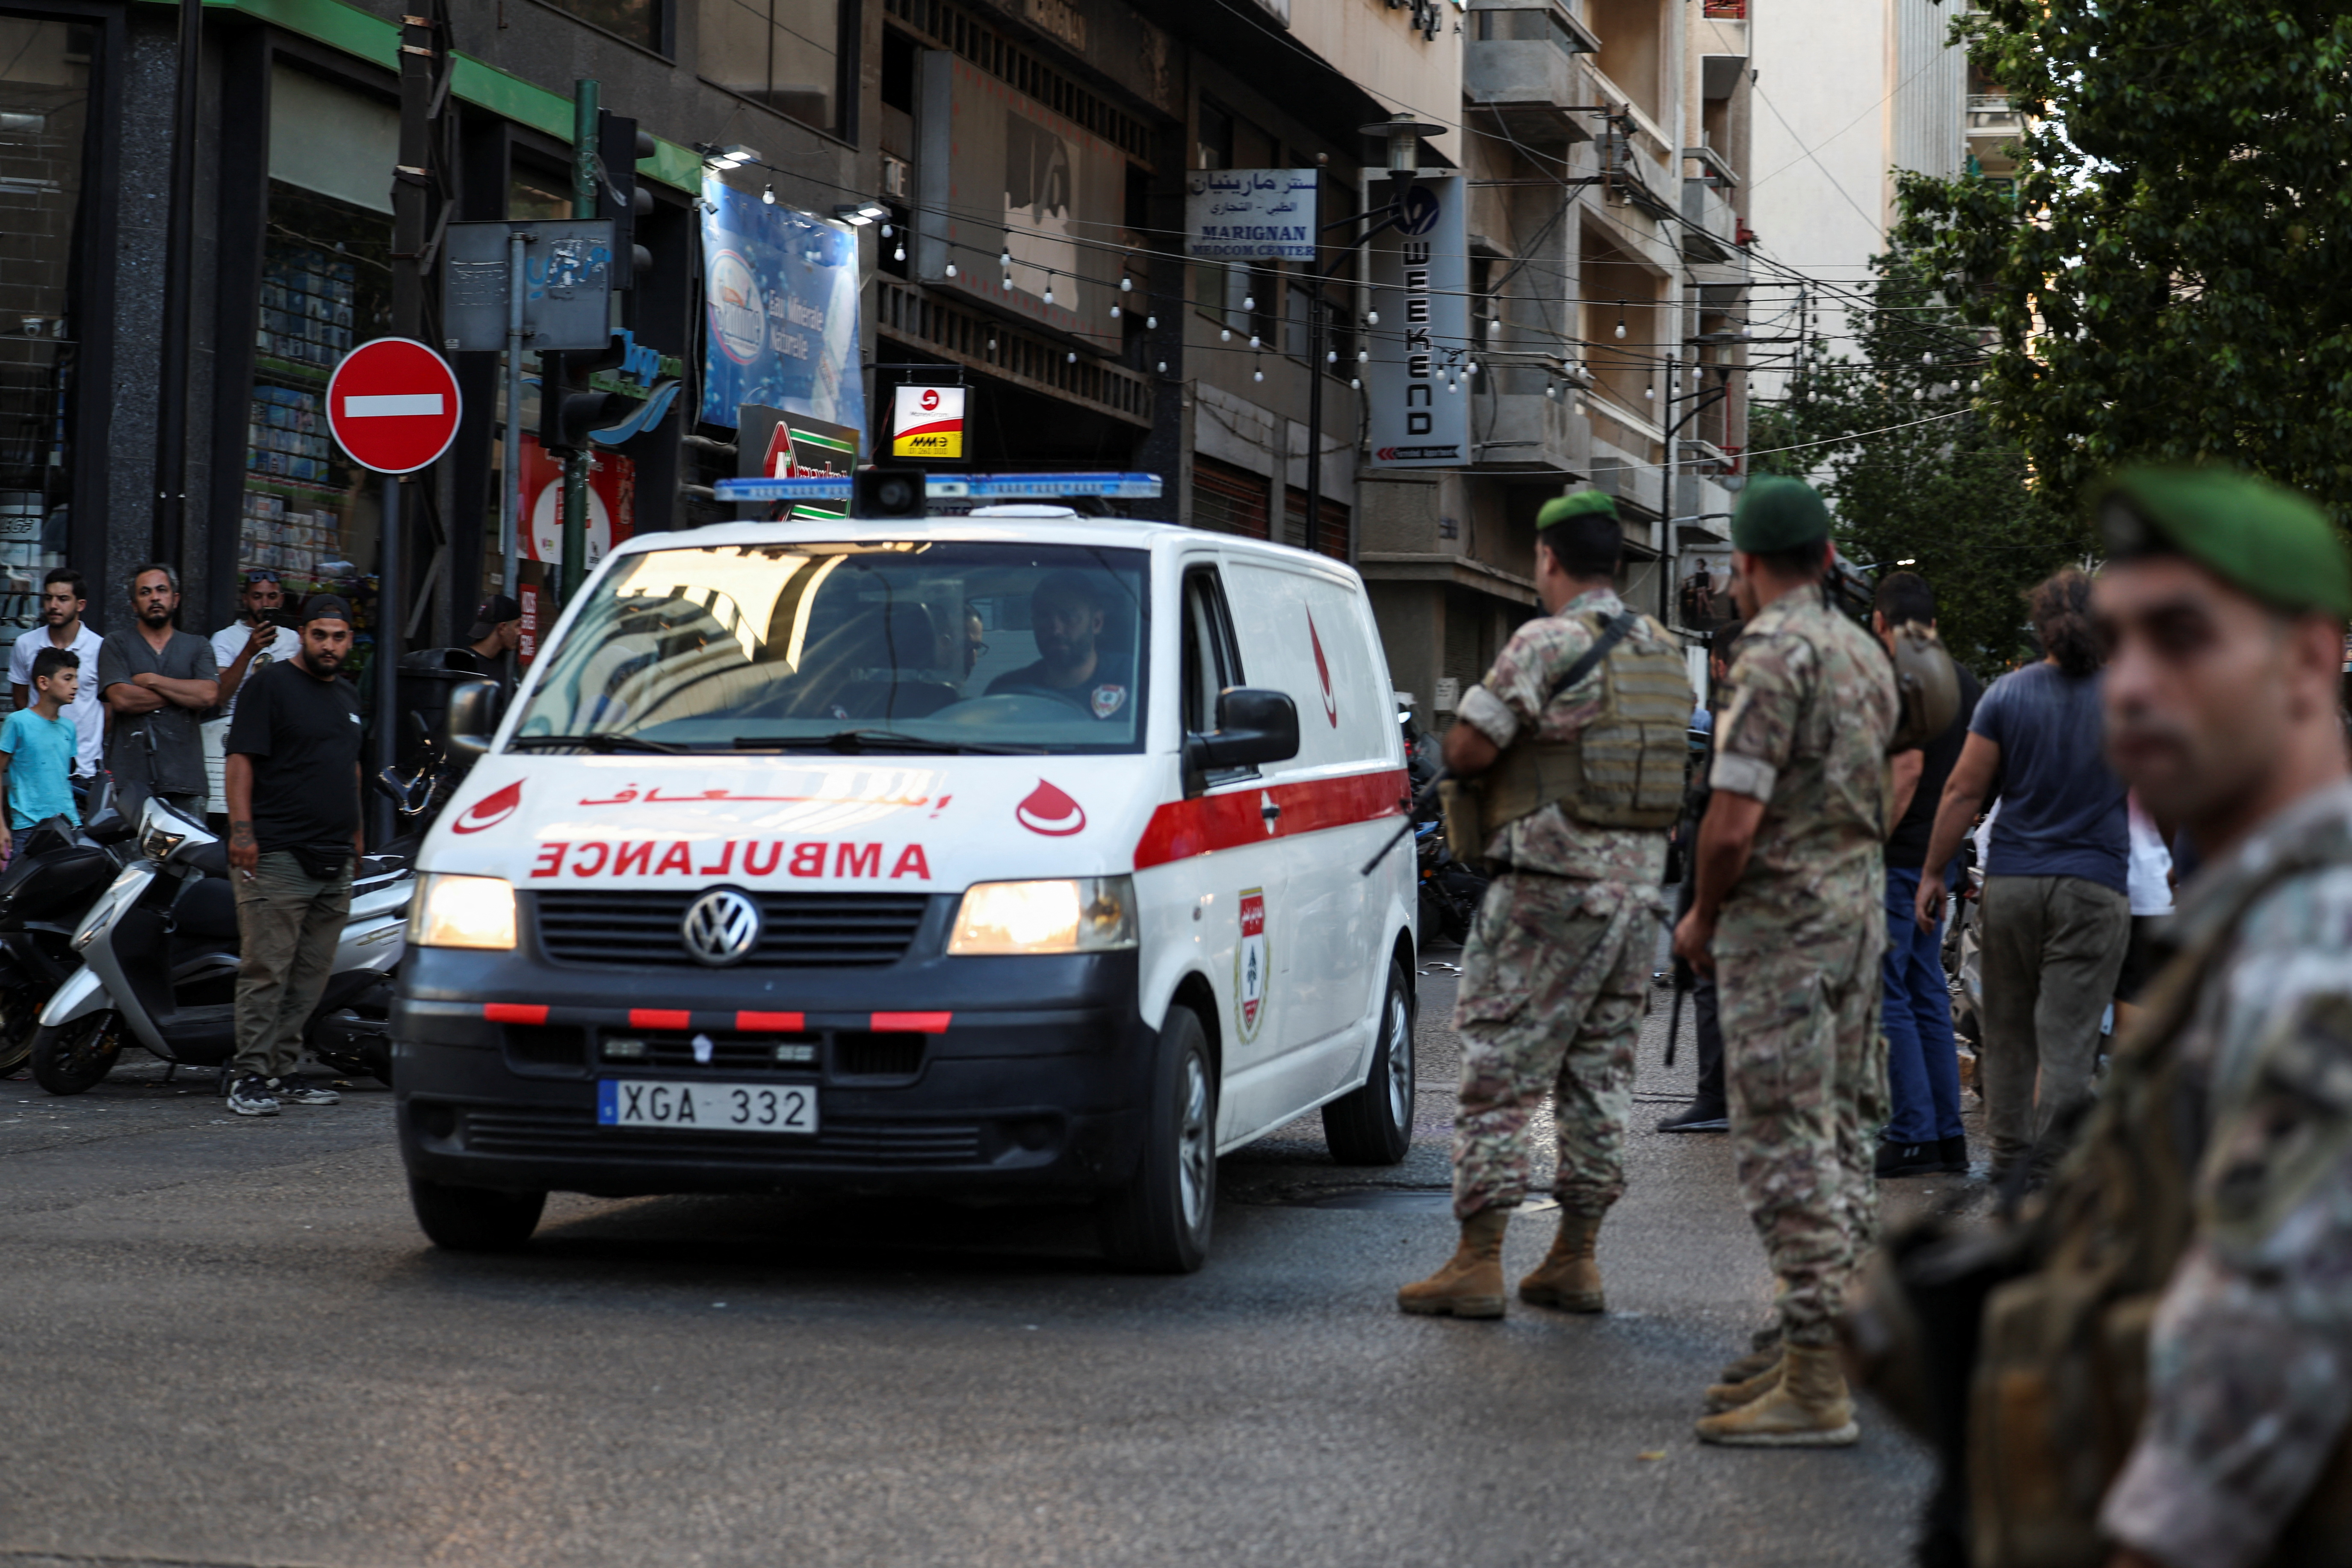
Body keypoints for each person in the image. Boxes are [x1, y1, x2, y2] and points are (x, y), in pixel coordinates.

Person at [1967, 466, 2352, 1566]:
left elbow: (2270, 1356)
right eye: (2123, 642)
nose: (2132, 686)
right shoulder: (2244, 915)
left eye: (2182, 640)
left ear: (2305, 661)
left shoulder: (2309, 949)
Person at [1398, 491, 1691, 1319]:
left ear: (1547, 559)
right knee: (1597, 1074)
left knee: (1497, 1066)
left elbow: (1465, 746)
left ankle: (1478, 1260)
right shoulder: (1662, 651)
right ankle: (1575, 1258)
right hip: (1635, 898)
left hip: (1546, 893)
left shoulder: (1543, 641)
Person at [1671, 476, 1897, 1446]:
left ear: (1751, 565)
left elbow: (1729, 822)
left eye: (1731, 565)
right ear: (1828, 554)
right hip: (1854, 915)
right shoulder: (1864, 651)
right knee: (1841, 1130)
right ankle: (1819, 1334)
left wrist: (1700, 915)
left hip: (1784, 928)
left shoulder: (1771, 651)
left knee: (1781, 1143)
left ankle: (1812, 1382)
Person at [1914, 569, 2130, 1182]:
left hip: (2013, 884)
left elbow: (1963, 790)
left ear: (2041, 627)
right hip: (2094, 887)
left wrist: (1933, 870)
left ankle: (2010, 1160)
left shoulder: (2007, 695)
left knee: (2008, 1030)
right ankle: (2052, 1169)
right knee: (2069, 1035)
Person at [221, 594, 368, 1119]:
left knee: (310, 976)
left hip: (334, 857)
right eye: (320, 635)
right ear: (302, 634)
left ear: (351, 640)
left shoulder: (348, 696)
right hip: (277, 853)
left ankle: (283, 1071)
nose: (329, 646)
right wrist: (242, 832)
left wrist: (356, 835)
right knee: (267, 970)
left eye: (339, 636)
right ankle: (249, 1074)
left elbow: (349, 770)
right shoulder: (271, 685)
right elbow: (241, 760)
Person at [1872, 572, 1983, 1178]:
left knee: (1888, 992)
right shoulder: (1964, 681)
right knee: (1925, 991)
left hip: (1897, 859)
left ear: (1881, 622)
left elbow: (1906, 769)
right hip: (1938, 859)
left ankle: (1911, 1133)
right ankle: (1947, 1136)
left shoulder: (1902, 677)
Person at [1657, 618, 1744, 1135]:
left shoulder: (1733, 718)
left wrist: (1701, 906)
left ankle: (1716, 1097)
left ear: (1716, 664)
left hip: (1733, 875)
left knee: (1712, 984)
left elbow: (1722, 815)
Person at [97, 564, 219, 824]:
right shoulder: (116, 643)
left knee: (188, 865)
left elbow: (208, 696)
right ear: (133, 604)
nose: (154, 597)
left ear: (175, 599)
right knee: (131, 866)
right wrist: (184, 692)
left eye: (162, 590)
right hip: (131, 783)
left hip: (186, 783)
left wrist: (151, 681)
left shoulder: (198, 646)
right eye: (145, 592)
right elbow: (122, 699)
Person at [7, 567, 105, 794]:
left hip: (85, 771)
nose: (53, 605)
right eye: (49, 598)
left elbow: (108, 711)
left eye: (63, 599)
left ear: (80, 605)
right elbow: (21, 699)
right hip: (36, 767)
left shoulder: (100, 648)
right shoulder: (25, 644)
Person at [986, 572, 1132, 718]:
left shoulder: (1135, 678)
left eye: (1068, 617)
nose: (1056, 630)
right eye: (1044, 617)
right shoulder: (1009, 693)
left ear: (1096, 623)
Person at [0, 647, 82, 859]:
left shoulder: (69, 728)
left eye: (76, 678)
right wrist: (1, 826)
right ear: (44, 683)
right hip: (29, 827)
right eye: (68, 678)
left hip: (69, 825)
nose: (76, 686)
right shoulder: (18, 722)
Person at [209, 569, 303, 720]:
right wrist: (248, 652)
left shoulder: (293, 638)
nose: (265, 604)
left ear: (281, 600)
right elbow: (219, 697)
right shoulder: (224, 638)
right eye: (257, 597)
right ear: (245, 600)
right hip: (235, 724)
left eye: (272, 597)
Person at [444, 594, 522, 682]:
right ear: (502, 628)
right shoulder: (464, 665)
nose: (520, 632)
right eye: (518, 626)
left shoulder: (503, 662)